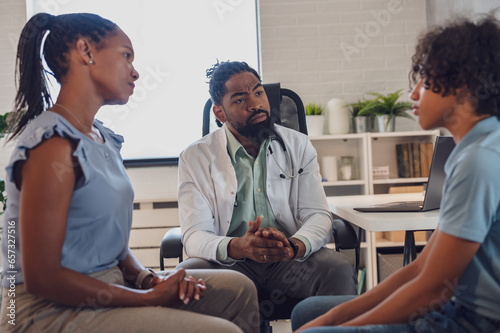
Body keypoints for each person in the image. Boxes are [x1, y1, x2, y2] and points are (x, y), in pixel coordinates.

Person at [0, 13, 260, 333]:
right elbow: (42, 278)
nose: (135, 72)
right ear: (86, 51)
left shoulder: (101, 138)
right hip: (47, 311)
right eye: (126, 56)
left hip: (108, 285)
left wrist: (147, 278)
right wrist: (147, 298)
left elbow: (112, 248)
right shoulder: (53, 145)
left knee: (238, 289)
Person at [291, 14, 500, 333]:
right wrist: (333, 319)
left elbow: (432, 288)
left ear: (463, 85)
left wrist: (338, 327)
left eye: (426, 81)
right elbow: (421, 268)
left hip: (473, 320)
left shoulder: (479, 159)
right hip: (457, 305)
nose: (414, 94)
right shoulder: (477, 145)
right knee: (311, 312)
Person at [176, 60, 358, 320]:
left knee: (336, 268)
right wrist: (239, 246)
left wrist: (294, 245)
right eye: (240, 99)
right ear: (220, 113)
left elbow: (318, 214)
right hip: (228, 264)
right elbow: (194, 235)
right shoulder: (194, 157)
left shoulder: (298, 145)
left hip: (290, 261)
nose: (255, 104)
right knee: (189, 274)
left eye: (258, 92)